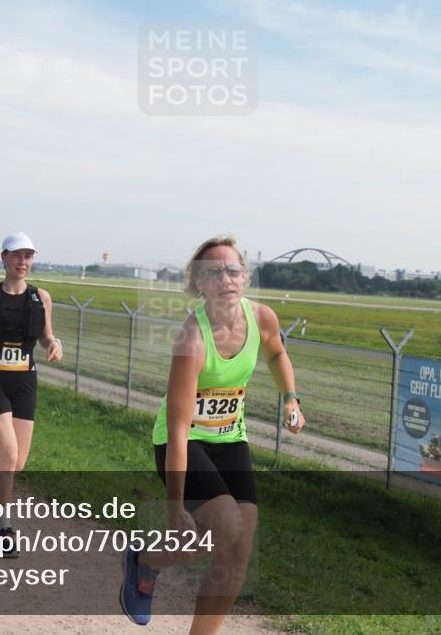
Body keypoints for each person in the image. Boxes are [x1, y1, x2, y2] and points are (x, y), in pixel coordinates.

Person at [120, 236, 305, 632]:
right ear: (199, 283)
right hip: (182, 442)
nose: (226, 279)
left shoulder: (262, 319)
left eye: (233, 270)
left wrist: (290, 398)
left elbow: (277, 353)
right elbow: (177, 430)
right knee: (225, 529)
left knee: (238, 553)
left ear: (246, 276)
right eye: (214, 273)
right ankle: (147, 560)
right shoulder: (192, 339)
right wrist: (175, 509)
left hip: (230, 439)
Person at [0, 231, 63, 557]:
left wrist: (54, 343)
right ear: (4, 258)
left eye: (28, 256)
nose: (22, 261)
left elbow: (46, 335)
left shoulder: (41, 297)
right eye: (16, 255)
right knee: (9, 455)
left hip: (25, 381)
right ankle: (4, 530)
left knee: (17, 462)